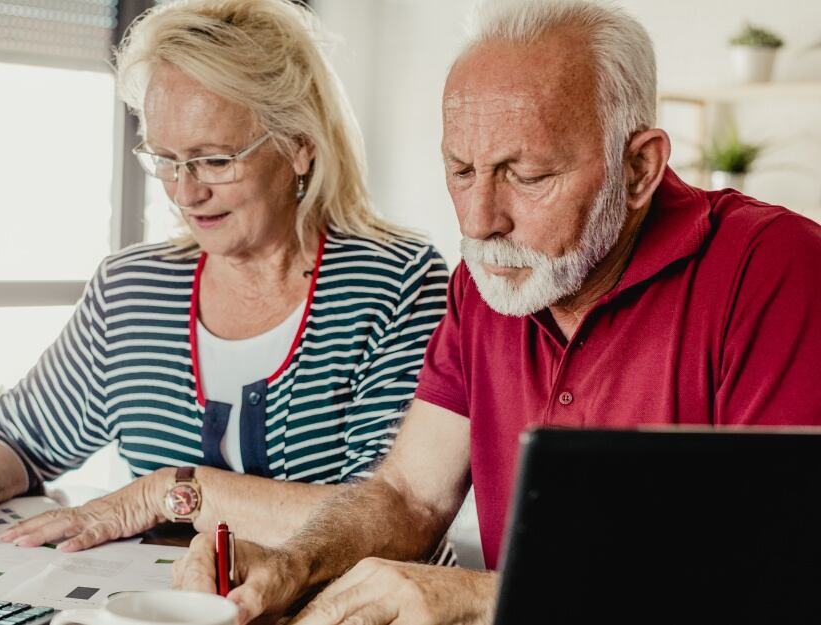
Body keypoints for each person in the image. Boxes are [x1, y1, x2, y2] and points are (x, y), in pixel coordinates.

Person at [173, 1, 821, 622]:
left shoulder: (775, 269)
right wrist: (295, 563)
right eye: (461, 170)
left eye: (527, 175)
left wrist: (482, 598)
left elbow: (781, 575)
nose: (481, 221)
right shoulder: (487, 282)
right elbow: (410, 494)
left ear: (639, 167)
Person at [0, 0, 449, 551]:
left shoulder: (398, 282)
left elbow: (388, 518)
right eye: (166, 159)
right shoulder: (131, 290)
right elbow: (16, 437)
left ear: (299, 147)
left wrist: (166, 493)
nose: (186, 192)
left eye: (215, 160)